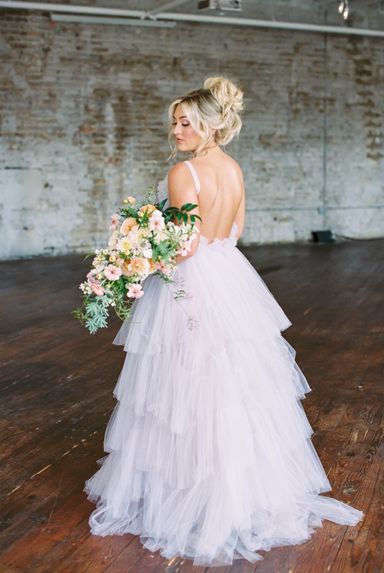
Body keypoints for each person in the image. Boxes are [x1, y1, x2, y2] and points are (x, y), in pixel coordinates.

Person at [84, 76, 364, 567]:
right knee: (232, 385)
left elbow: (186, 246)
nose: (176, 130)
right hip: (230, 279)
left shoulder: (183, 174)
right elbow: (234, 231)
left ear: (209, 127)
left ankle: (188, 494)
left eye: (185, 122)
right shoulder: (234, 170)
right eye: (174, 122)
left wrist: (135, 256)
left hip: (192, 284)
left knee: (180, 387)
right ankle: (241, 492)